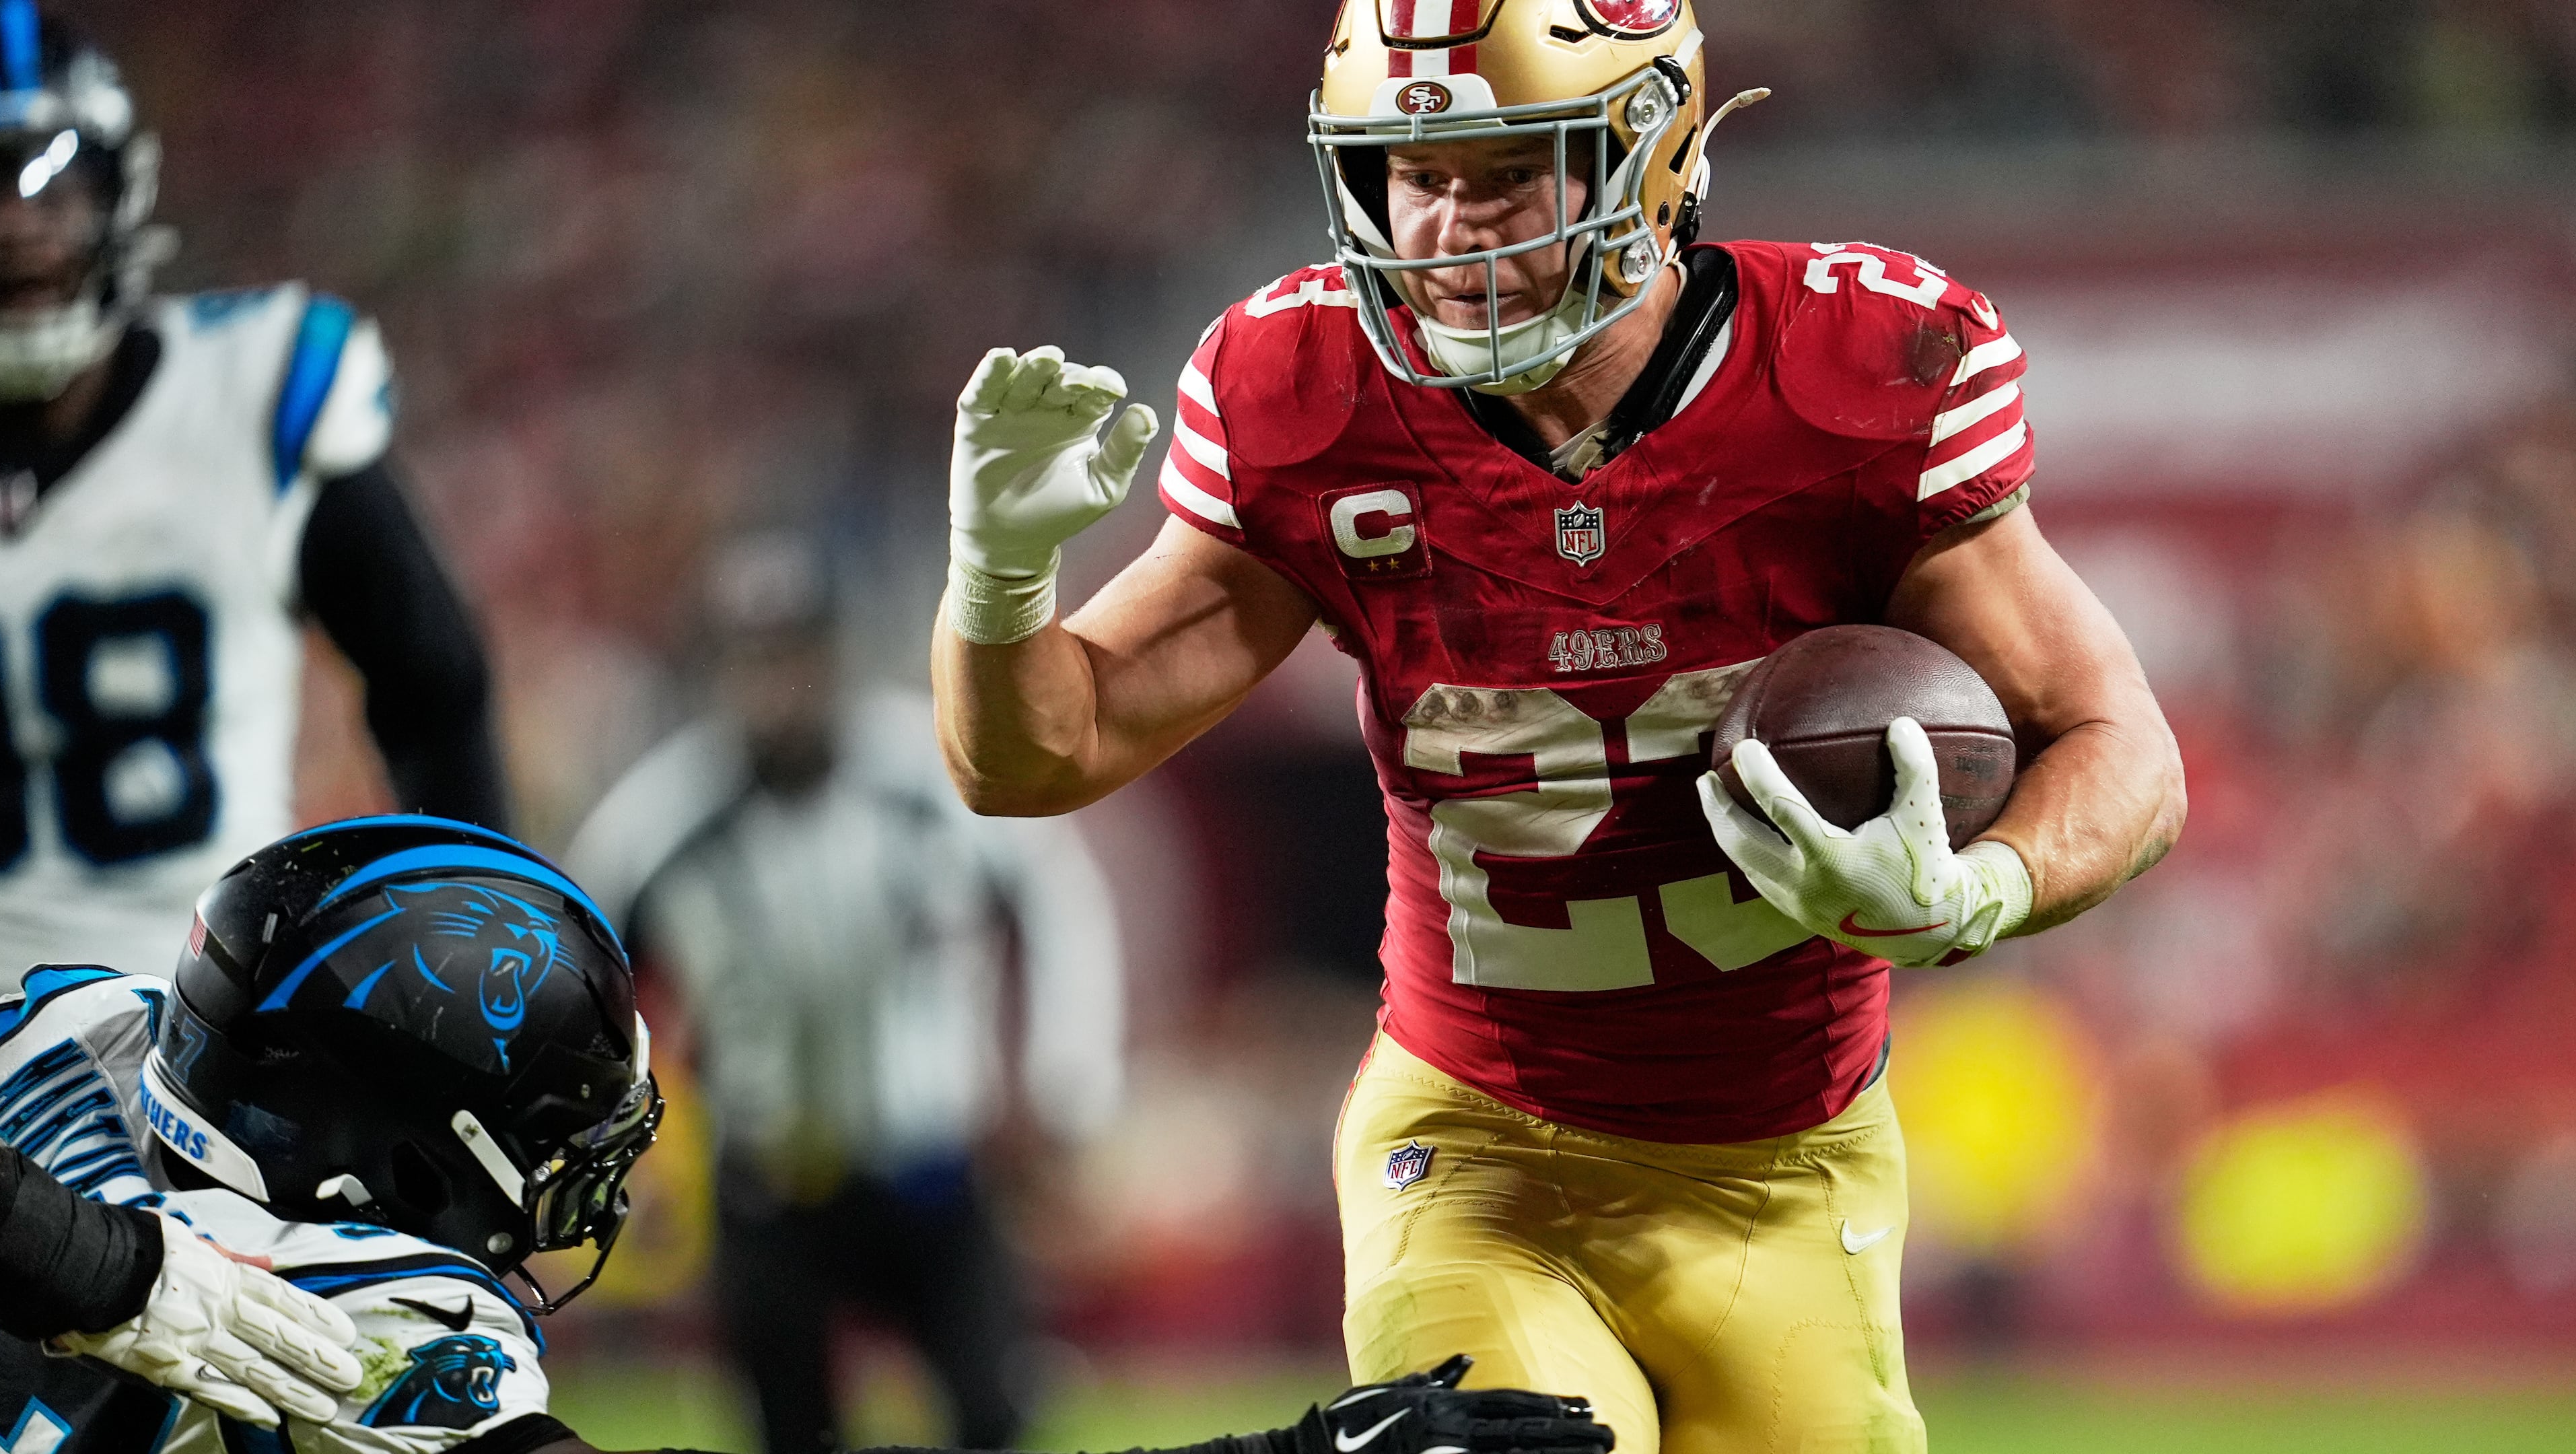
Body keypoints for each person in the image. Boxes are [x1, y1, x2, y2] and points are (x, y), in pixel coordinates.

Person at [929, 5, 2186, 1453]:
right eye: (1416, 174)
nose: (1451, 232)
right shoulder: (1310, 393)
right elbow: (1030, 758)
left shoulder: (1855, 375)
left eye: (1506, 172)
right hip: (1472, 1146)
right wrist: (999, 583)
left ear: (1645, 160)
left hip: (1788, 1165)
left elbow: (2123, 753)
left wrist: (1976, 890)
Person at [0, 814, 1616, 1454]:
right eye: (555, 1133)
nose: (582, 1180)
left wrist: (100, 1265)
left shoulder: (80, 1024)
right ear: (397, 1137)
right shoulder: (371, 1309)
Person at [569, 536, 1121, 1454]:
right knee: (791, 1432)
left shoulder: (933, 772)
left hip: (931, 1168)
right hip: (770, 1181)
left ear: (837, 656)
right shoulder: (661, 819)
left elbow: (1060, 899)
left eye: (795, 652)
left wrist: (1067, 1084)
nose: (777, 682)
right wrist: (609, 1145)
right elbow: (578, 981)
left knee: (994, 1416)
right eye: (753, 659)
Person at [0, 4, 507, 992]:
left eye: (49, 185)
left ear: (117, 195)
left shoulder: (251, 397)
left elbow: (434, 686)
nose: (16, 229)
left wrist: (469, 945)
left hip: (203, 1025)